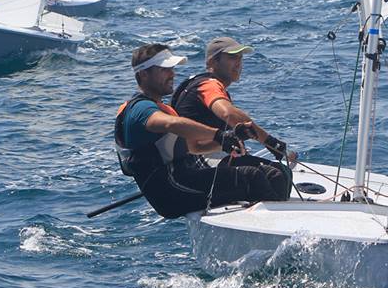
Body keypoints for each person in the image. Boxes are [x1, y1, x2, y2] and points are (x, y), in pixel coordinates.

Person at [115, 43, 288, 220]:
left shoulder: (160, 107)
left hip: (183, 179)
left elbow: (193, 148)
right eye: (164, 69)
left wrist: (226, 140)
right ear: (144, 74)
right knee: (251, 177)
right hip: (171, 191)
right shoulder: (140, 109)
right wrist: (218, 134)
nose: (172, 74)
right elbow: (170, 124)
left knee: (272, 175)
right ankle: (276, 225)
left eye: (172, 69)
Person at [171, 37, 292, 200]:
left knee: (280, 173)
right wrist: (269, 141)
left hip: (205, 154)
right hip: (196, 160)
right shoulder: (209, 85)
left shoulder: (202, 83)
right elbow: (228, 113)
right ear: (213, 62)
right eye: (232, 57)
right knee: (275, 175)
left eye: (240, 58)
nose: (239, 63)